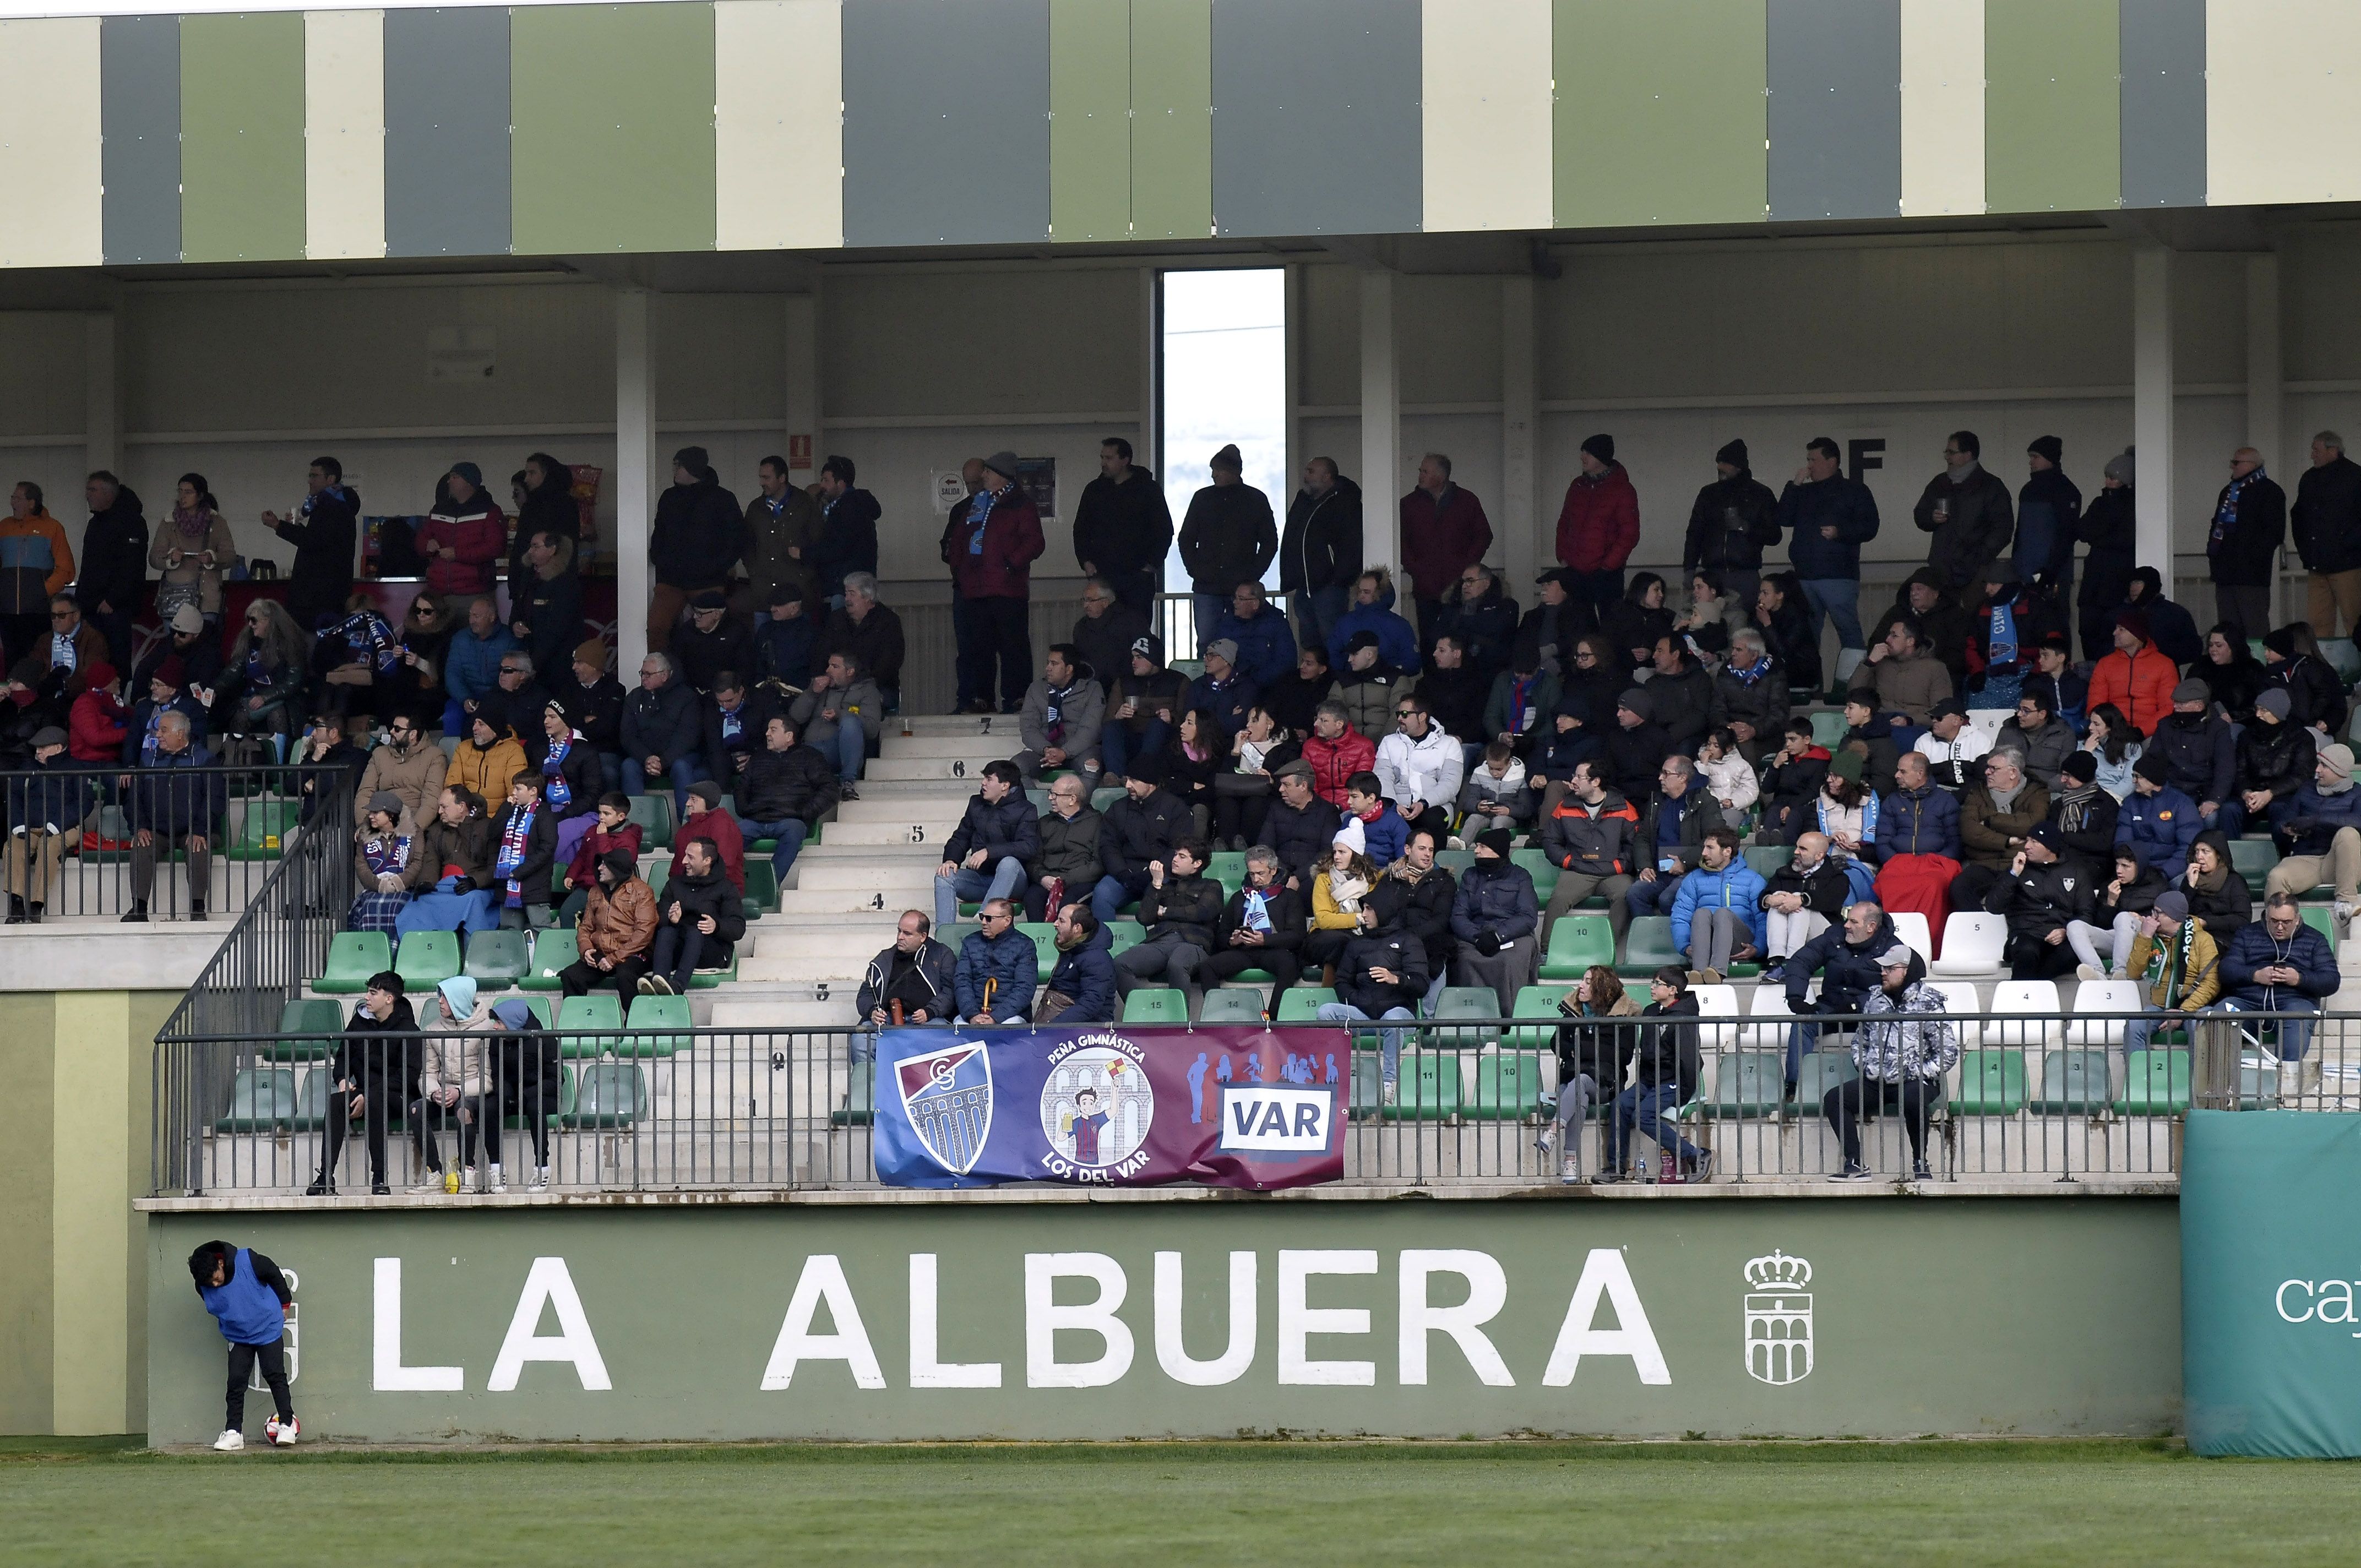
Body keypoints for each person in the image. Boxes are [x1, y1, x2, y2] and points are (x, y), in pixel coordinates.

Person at [1826, 945, 1955, 1183]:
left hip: (1916, 1080)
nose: (1883, 973)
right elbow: (1860, 1042)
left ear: (1907, 972)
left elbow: (1947, 1052)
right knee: (1835, 1098)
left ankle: (1921, 1164)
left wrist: (1916, 1072)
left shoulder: (1928, 1003)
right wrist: (1866, 1066)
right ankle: (1854, 1164)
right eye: (1883, 968)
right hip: (1878, 1080)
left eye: (1890, 968)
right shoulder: (1875, 1001)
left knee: (1914, 1098)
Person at [940, 451, 1045, 714]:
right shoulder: (976, 503)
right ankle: (982, 698)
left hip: (1008, 589)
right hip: (975, 590)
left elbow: (1035, 542)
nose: (983, 476)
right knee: (980, 648)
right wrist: (960, 569)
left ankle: (1017, 698)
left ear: (1002, 476)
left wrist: (1011, 564)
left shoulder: (1021, 504)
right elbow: (959, 539)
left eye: (988, 471)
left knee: (1013, 646)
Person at [1776, 437, 1881, 690]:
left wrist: (1840, 532)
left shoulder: (1855, 490)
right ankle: (1810, 686)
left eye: (1814, 459)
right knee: (1806, 637)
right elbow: (1783, 517)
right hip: (1804, 575)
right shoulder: (1803, 491)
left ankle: (1854, 688)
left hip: (1839, 575)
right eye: (1808, 460)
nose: (1809, 465)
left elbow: (1870, 527)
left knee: (1849, 633)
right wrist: (1795, 484)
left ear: (1832, 461)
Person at [304, 970, 415, 1197]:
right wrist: (343, 1078)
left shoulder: (409, 1029)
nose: (367, 997)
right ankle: (326, 1176)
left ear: (389, 999)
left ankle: (380, 1178)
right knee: (336, 1103)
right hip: (366, 1092)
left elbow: (408, 1077)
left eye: (373, 993)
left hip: (398, 1095)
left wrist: (368, 1095)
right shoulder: (359, 1022)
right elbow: (344, 1054)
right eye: (368, 991)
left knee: (375, 1099)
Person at [1600, 967, 1710, 1185]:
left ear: (1672, 990)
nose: (1652, 987)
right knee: (1619, 1105)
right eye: (1654, 982)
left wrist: (1684, 1091)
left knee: (1643, 1117)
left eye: (1658, 984)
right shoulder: (1651, 1012)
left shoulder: (1684, 1017)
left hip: (1673, 1081)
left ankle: (1695, 1154)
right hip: (1648, 1081)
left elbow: (1688, 1058)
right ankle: (1617, 1167)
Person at [187, 1240, 298, 1451]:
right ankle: (234, 1433)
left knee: (275, 1375)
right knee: (236, 1383)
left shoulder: (250, 1261)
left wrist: (285, 1304)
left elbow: (274, 1273)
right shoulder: (203, 1286)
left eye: (216, 1279)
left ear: (220, 1264)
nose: (215, 1285)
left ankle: (287, 1425)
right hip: (239, 1336)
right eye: (209, 1283)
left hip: (268, 1328)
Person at [1318, 895, 1430, 1106]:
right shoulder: (1356, 944)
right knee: (1326, 1012)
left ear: (1384, 912)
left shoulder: (1409, 940)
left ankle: (1389, 1083)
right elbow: (1342, 981)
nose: (1364, 915)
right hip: (1364, 1013)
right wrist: (1358, 999)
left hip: (1398, 1012)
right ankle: (1331, 1079)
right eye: (1364, 909)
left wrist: (1396, 979)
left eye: (1370, 909)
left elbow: (1421, 985)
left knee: (1393, 1020)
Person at [1782, 900, 1898, 1092]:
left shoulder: (1892, 947)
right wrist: (1795, 997)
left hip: (1871, 1015)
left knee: (1886, 1027)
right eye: (1847, 920)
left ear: (1871, 927)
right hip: (1831, 1008)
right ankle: (1795, 1088)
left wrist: (1858, 1006)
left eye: (1854, 922)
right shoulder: (1834, 936)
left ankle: (1879, 1089)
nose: (1847, 925)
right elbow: (1801, 961)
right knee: (1802, 1024)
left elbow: (1898, 986)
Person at [2216, 892, 2340, 1068]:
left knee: (2298, 1020)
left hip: (2295, 1003)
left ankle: (2284, 1087)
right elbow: (2226, 970)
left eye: (2286, 922)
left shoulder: (2315, 939)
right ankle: (2218, 1082)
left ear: (2297, 919)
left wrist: (2299, 979)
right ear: (2266, 917)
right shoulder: (2247, 934)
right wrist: (2255, 975)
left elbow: (2331, 980)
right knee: (2217, 1017)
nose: (2279, 927)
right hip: (2248, 1002)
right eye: (2274, 921)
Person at [1536, 966, 1637, 1184]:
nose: (1581, 985)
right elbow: (1557, 1043)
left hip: (1605, 1083)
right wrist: (1591, 1050)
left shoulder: (1624, 1015)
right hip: (1572, 1079)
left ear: (1602, 989)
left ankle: (1553, 1131)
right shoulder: (1573, 1010)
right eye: (1583, 980)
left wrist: (1579, 1049)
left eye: (1589, 982)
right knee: (1578, 1095)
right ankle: (1570, 1165)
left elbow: (1622, 1054)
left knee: (1581, 1082)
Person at [121, 710, 220, 922]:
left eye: (163, 730)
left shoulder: (204, 759)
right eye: (158, 730)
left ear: (181, 733)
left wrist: (201, 830)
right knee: (141, 845)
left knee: (199, 847)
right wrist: (139, 827)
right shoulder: (148, 759)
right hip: (157, 831)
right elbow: (133, 799)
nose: (158, 735)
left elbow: (215, 799)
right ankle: (139, 910)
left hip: (194, 830)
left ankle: (197, 909)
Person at [1175, 443, 1276, 651]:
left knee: (1241, 641)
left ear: (1234, 472)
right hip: (1209, 586)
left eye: (1218, 470)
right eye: (1213, 470)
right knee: (1206, 643)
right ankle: (1212, 683)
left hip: (1234, 587)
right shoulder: (1203, 498)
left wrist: (1252, 575)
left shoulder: (1255, 500)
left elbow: (1270, 543)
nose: (1214, 475)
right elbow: (1185, 538)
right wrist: (1195, 571)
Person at [646, 445, 743, 657]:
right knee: (656, 628)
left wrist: (716, 567)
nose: (674, 470)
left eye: (678, 466)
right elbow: (660, 531)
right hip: (672, 579)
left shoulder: (722, 499)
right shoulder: (669, 497)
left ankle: (712, 678)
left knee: (712, 632)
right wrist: (659, 557)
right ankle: (659, 674)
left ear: (692, 469)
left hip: (707, 581)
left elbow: (737, 539)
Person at [1114, 839, 1225, 1014]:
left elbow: (1201, 912)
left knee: (1177, 963)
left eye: (1182, 856)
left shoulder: (1211, 885)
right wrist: (1156, 885)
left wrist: (1165, 912)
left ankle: (1178, 1022)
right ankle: (1143, 1013)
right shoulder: (1163, 886)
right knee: (1120, 963)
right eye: (1175, 854)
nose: (1175, 859)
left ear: (1197, 864)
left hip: (1193, 944)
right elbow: (1144, 917)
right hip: (1160, 942)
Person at [1073, 435, 1174, 618]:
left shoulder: (1148, 490)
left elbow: (1164, 530)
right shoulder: (1094, 491)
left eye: (1109, 458)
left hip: (1137, 576)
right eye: (1102, 457)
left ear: (1125, 460)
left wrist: (1150, 565)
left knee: (1137, 628)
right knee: (1103, 628)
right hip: (1102, 574)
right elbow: (1080, 529)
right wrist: (1086, 561)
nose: (1103, 463)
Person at [1194, 845, 1305, 1006]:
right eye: (1252, 874)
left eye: (1261, 873)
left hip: (1275, 950)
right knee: (1207, 967)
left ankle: (1273, 1020)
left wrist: (1265, 940)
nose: (1256, 879)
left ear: (1273, 870)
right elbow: (1222, 934)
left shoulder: (1289, 897)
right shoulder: (1239, 897)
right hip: (1244, 951)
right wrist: (1232, 941)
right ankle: (1219, 1013)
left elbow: (1297, 936)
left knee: (1289, 965)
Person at [934, 760, 1040, 929]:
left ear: (1005, 785)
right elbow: (961, 837)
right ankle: (945, 936)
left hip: (1014, 882)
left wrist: (989, 852)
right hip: (981, 879)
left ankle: (984, 919)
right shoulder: (976, 804)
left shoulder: (1026, 809)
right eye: (984, 778)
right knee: (944, 876)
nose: (983, 783)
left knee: (1009, 863)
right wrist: (951, 859)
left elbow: (1029, 847)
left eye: (989, 779)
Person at [735, 714, 837, 884]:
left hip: (790, 820)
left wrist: (804, 813)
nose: (767, 734)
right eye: (768, 730)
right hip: (756, 820)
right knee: (729, 838)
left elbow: (830, 789)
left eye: (773, 730)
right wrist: (746, 810)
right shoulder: (758, 758)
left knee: (794, 832)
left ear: (789, 736)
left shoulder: (809, 757)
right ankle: (729, 888)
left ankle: (768, 887)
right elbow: (741, 789)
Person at [1983, 823, 2093, 980]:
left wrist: (2066, 931)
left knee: (2073, 953)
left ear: (2050, 847)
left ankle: (2032, 991)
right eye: (2027, 841)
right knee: (2027, 951)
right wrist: (2013, 875)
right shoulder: (2016, 870)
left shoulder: (2076, 872)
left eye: (2034, 842)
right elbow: (1994, 906)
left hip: (2061, 937)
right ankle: (2022, 997)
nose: (2027, 846)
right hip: (2026, 934)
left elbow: (2086, 913)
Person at [2118, 891, 2222, 1058]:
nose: (2153, 917)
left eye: (2158, 913)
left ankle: (2199, 1082)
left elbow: (2212, 983)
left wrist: (2183, 1012)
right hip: (2160, 1008)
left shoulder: (2203, 940)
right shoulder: (2151, 938)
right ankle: (2140, 1079)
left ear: (2174, 918)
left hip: (2195, 1008)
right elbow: (2133, 972)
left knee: (2202, 1029)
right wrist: (2145, 936)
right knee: (2134, 1027)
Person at [2265, 744, 2361, 923]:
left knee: (2348, 833)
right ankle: (2273, 930)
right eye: (2319, 764)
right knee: (2277, 877)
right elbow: (2284, 820)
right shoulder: (2307, 789)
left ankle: (2346, 903)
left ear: (2338, 770)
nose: (2318, 770)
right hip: (2307, 860)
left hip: (2341, 863)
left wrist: (2316, 821)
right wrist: (2287, 828)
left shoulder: (2357, 793)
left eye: (2324, 766)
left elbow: (2359, 821)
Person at [1680, 438, 1780, 610]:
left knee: (1744, 623)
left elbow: (1774, 535)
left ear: (1739, 466)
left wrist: (1745, 527)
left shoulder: (1761, 494)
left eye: (1725, 463)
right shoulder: (1708, 494)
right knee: (1711, 623)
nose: (1720, 467)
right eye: (1719, 462)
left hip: (1745, 574)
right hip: (1712, 574)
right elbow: (1695, 532)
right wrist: (1690, 567)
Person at [1624, 755, 1727, 922]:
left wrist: (1685, 862)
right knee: (1635, 894)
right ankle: (1649, 939)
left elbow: (1714, 839)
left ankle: (1678, 942)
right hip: (1659, 872)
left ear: (1682, 778)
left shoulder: (1705, 801)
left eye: (1666, 774)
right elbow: (1643, 837)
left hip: (1693, 872)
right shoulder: (1656, 801)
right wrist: (1645, 866)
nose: (1660, 778)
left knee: (1668, 899)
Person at [1448, 828, 1540, 1012]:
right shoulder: (1470, 876)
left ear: (1497, 850)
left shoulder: (1520, 876)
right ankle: (1473, 1017)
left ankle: (1509, 1018)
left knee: (1510, 960)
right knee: (1464, 958)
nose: (1476, 851)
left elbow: (1527, 917)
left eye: (1482, 846)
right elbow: (1458, 915)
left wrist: (1498, 936)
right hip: (1476, 934)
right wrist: (1476, 937)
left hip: (1512, 936)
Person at [1913, 429, 2015, 596]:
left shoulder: (1991, 486)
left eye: (1951, 452)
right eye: (1946, 452)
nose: (1947, 457)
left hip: (1976, 574)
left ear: (1968, 455)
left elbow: (2003, 529)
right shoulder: (1939, 483)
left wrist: (1978, 558)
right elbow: (1920, 514)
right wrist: (1931, 518)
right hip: (1941, 572)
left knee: (1974, 618)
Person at [1553, 434, 1639, 626]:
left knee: (1611, 626)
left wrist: (1608, 566)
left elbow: (1630, 533)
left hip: (1607, 574)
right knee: (1577, 624)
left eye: (1588, 453)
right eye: (1583, 452)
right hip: (1575, 570)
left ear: (1602, 457)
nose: (1583, 457)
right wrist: (1564, 557)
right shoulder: (1577, 486)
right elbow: (1564, 522)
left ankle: (1607, 657)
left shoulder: (1622, 489)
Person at [1278, 456, 1361, 652]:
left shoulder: (1343, 502)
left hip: (1328, 588)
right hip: (1304, 587)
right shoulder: (1304, 501)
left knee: (1332, 640)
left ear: (1327, 477)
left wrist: (1339, 579)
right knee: (1310, 644)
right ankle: (1316, 683)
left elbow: (1352, 543)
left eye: (1311, 471)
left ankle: (1335, 681)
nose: (1306, 476)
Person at [644, 836, 746, 996]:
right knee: (667, 932)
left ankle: (678, 986)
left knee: (695, 932)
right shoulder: (675, 884)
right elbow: (658, 917)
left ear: (707, 861)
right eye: (685, 855)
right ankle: (659, 981)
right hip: (678, 950)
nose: (684, 861)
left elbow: (738, 928)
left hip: (711, 952)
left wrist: (716, 926)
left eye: (691, 857)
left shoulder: (726, 888)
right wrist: (671, 919)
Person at [1951, 749, 2051, 912]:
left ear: (2013, 772)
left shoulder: (2037, 794)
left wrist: (1989, 820)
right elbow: (1970, 831)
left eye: (1993, 768)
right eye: (1987, 767)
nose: (1987, 772)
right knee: (1960, 887)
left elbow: (2032, 825)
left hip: (2023, 863)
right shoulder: (1977, 793)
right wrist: (2008, 840)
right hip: (1985, 863)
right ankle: (1979, 930)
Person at [395, 785, 497, 940]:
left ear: (462, 807)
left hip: (478, 889)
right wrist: (426, 882)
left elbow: (496, 866)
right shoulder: (436, 831)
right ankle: (421, 958)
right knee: (417, 904)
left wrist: (475, 882)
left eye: (444, 807)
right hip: (445, 889)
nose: (439, 812)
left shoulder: (488, 828)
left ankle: (472, 959)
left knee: (472, 901)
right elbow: (431, 861)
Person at [1092, 759, 1189, 920]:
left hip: (1161, 874)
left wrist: (1153, 874)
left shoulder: (1175, 808)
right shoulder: (1118, 808)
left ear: (1150, 783)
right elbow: (1108, 845)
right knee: (1102, 893)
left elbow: (1179, 848)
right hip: (1124, 874)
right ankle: (1105, 943)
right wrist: (1122, 873)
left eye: (1134, 781)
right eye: (1127, 780)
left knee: (1162, 896)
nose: (1127, 785)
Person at [2206, 444, 2286, 638]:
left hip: (2252, 575)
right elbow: (2217, 524)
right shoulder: (2227, 492)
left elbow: (2274, 532)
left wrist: (2253, 557)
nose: (2232, 467)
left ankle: (2257, 666)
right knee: (2227, 630)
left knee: (2254, 626)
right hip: (2225, 573)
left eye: (2236, 463)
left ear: (2252, 464)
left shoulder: (2270, 491)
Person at [1667, 825, 1763, 983]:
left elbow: (1763, 918)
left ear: (1727, 851)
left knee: (1722, 914)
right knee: (1701, 913)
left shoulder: (1753, 880)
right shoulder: (1693, 879)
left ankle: (1717, 972)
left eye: (1710, 848)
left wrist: (1758, 947)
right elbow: (1680, 916)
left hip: (1739, 946)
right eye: (1704, 847)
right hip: (1703, 948)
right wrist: (1685, 946)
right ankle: (1698, 973)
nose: (1704, 853)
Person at [70, 470, 146, 667]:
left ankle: (117, 697)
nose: (88, 494)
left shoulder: (132, 522)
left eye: (92, 490)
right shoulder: (95, 523)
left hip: (114, 607)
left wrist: (114, 599)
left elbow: (132, 565)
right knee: (91, 660)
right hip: (90, 606)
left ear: (108, 493)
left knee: (116, 659)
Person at [4, 726, 80, 923]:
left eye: (43, 748)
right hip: (29, 828)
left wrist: (56, 826)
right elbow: (13, 796)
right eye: (37, 748)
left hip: (65, 828)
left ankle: (37, 906)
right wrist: (19, 826)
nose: (38, 751)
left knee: (49, 847)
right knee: (13, 846)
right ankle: (17, 905)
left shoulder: (74, 767)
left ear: (58, 748)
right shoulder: (28, 768)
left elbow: (83, 803)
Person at [561, 847, 656, 1000]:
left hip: (633, 953)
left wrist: (614, 959)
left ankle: (634, 1022)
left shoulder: (642, 892)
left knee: (625, 976)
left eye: (605, 865)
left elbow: (644, 933)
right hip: (602, 952)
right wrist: (586, 949)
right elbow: (585, 928)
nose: (600, 868)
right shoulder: (595, 892)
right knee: (571, 975)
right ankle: (576, 1022)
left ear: (617, 868)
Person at [2293, 430, 2361, 638]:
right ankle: (2323, 667)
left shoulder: (2355, 477)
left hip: (2348, 564)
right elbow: (2299, 516)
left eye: (2316, 450)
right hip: (2317, 564)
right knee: (2318, 622)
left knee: (2355, 620)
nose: (2312, 455)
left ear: (2333, 451)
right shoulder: (2309, 478)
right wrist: (2305, 549)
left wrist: (2349, 544)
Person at [149, 472, 239, 628]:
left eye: (188, 492)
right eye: (180, 491)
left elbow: (231, 556)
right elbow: (154, 558)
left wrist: (212, 558)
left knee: (205, 646)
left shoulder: (217, 522)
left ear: (200, 496)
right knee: (176, 647)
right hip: (175, 597)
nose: (182, 496)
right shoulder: (168, 522)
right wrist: (170, 559)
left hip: (207, 598)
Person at [2224, 688, 2314, 840]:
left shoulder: (2302, 738)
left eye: (2264, 710)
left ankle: (2283, 858)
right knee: (2229, 810)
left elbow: (2301, 775)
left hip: (2283, 795)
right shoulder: (2247, 736)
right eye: (2257, 709)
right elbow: (2239, 771)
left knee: (2280, 810)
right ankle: (2228, 858)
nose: (2258, 715)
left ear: (2279, 712)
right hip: (2252, 794)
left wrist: (2270, 793)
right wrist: (2246, 793)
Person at [621, 650, 704, 815]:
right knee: (629, 767)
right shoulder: (634, 698)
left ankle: (688, 823)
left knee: (682, 767)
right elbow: (628, 735)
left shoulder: (687, 697)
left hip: (677, 757)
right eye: (642, 673)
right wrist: (647, 758)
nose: (644, 677)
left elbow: (687, 737)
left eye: (648, 674)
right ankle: (638, 825)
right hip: (646, 759)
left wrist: (664, 761)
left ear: (665, 675)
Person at [788, 649, 883, 794]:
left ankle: (847, 782)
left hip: (839, 752)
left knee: (850, 722)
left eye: (835, 667)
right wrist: (812, 693)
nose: (828, 670)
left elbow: (872, 729)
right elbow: (795, 717)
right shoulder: (818, 687)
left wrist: (841, 716)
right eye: (828, 665)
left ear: (850, 671)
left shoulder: (867, 690)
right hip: (811, 750)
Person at [0, 480, 73, 665]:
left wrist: (43, 591)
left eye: (17, 498)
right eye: (12, 497)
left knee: (36, 661)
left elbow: (67, 570)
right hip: (6, 611)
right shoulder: (4, 527)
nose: (12, 502)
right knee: (11, 662)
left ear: (31, 503)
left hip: (38, 611)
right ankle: (10, 695)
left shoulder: (52, 528)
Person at [2077, 448, 2139, 661]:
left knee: (2111, 636)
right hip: (2095, 582)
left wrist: (2098, 535)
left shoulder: (2131, 505)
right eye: (2107, 477)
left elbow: (2124, 539)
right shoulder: (2100, 502)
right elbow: (2082, 530)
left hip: (2114, 582)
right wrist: (2104, 533)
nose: (2108, 481)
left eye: (2113, 477)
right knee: (2088, 630)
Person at [1100, 634, 1187, 783]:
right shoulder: (1124, 682)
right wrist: (1118, 715)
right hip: (1132, 741)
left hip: (1163, 745)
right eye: (1133, 657)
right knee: (1111, 728)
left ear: (1154, 660)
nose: (1134, 662)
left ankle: (1140, 775)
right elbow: (1108, 720)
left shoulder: (1178, 681)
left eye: (1139, 657)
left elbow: (1188, 720)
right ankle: (1116, 777)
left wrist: (1172, 718)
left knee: (1157, 725)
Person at [1014, 643, 1105, 786]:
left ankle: (1078, 808)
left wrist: (1065, 752)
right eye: (1048, 663)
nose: (1048, 668)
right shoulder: (1036, 689)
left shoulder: (1092, 689)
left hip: (1080, 750)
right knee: (1015, 768)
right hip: (1043, 752)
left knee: (1092, 769)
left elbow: (1091, 729)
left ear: (1069, 669)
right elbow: (1028, 727)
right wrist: (1046, 749)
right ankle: (1035, 807)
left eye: (1054, 664)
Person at [1759, 831, 1847, 978]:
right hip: (1791, 934)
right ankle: (1776, 961)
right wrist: (1769, 900)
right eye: (1797, 847)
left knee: (1799, 904)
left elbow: (1831, 902)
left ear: (1819, 856)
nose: (1796, 852)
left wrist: (1801, 900)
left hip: (1825, 936)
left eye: (1803, 849)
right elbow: (1763, 897)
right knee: (1777, 898)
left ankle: (1792, 962)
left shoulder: (1836, 877)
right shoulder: (1784, 872)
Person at [2071, 845, 2167, 981]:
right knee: (2074, 926)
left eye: (2125, 866)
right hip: (2118, 940)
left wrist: (2145, 920)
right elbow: (2101, 926)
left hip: (2144, 937)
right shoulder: (2110, 885)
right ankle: (2097, 972)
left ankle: (2121, 973)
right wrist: (2111, 902)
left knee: (2124, 917)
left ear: (2138, 866)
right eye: (2117, 865)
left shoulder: (2158, 884)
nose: (2119, 871)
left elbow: (2170, 920)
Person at [742, 451, 823, 610]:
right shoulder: (756, 508)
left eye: (766, 478)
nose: (761, 483)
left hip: (797, 590)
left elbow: (819, 541)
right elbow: (746, 543)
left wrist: (805, 573)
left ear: (782, 478)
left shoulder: (805, 504)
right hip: (763, 591)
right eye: (761, 477)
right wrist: (754, 571)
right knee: (764, 632)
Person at [1374, 691, 1461, 840]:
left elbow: (1450, 784)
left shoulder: (1449, 744)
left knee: (1432, 819)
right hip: (1397, 806)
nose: (1399, 718)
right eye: (1398, 714)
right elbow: (1382, 777)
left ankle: (1435, 862)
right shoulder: (1389, 742)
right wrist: (1394, 805)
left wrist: (1424, 803)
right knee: (1386, 820)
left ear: (1422, 717)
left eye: (1405, 714)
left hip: (1434, 807)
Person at [415, 462, 504, 604]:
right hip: (439, 593)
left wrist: (458, 554)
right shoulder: (440, 509)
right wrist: (427, 544)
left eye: (455, 477)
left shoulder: (489, 510)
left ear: (469, 483)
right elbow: (421, 539)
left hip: (475, 593)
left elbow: (495, 547)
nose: (449, 481)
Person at [818, 571, 906, 711]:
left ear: (868, 597)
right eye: (846, 593)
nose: (847, 599)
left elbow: (890, 663)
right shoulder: (836, 619)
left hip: (878, 686)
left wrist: (859, 682)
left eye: (852, 594)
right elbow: (822, 654)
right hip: (837, 686)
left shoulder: (888, 622)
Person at [857, 911, 956, 1031]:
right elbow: (866, 992)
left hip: (930, 1020)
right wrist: (872, 1012)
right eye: (899, 931)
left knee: (943, 1035)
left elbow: (950, 991)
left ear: (923, 936)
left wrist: (930, 1011)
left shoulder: (942, 955)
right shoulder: (884, 959)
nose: (900, 937)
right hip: (888, 1019)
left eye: (907, 934)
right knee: (861, 1040)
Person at [2086, 609, 2179, 736]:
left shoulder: (2164, 665)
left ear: (2137, 635)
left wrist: (2141, 732)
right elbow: (2096, 705)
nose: (2114, 633)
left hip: (2151, 734)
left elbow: (2168, 708)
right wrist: (2112, 730)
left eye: (2121, 629)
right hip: (2111, 732)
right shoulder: (2105, 664)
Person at [1848, 615, 1953, 726]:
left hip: (1917, 730)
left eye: (1894, 636)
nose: (1887, 639)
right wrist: (1869, 663)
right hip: (1882, 726)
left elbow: (1943, 710)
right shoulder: (1881, 663)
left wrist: (1910, 721)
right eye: (1889, 635)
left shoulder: (1935, 668)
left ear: (1910, 642)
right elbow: (1854, 694)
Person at [1026, 772, 1103, 922]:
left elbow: (1098, 864)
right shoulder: (1045, 823)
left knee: (1068, 906)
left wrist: (1065, 880)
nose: (1050, 798)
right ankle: (1040, 942)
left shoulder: (1096, 821)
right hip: (1049, 879)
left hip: (1079, 881)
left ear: (1072, 799)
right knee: (1032, 898)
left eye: (1055, 795)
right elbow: (1034, 860)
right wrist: (1043, 878)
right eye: (1051, 793)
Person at [487, 769, 557, 930]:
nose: (513, 792)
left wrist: (519, 872)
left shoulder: (545, 815)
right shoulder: (511, 811)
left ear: (533, 791)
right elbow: (492, 833)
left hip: (535, 886)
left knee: (540, 930)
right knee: (510, 934)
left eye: (518, 789)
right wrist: (506, 807)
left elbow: (547, 849)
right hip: (507, 887)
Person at [808, 455, 880, 609]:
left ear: (840, 483)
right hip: (847, 586)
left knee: (842, 629)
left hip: (843, 588)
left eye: (826, 480)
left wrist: (803, 554)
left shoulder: (848, 510)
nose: (821, 485)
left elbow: (836, 548)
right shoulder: (846, 507)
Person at [439, 595, 516, 738]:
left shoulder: (509, 639)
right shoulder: (459, 639)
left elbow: (514, 677)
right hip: (465, 697)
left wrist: (490, 701)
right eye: (470, 616)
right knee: (451, 717)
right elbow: (452, 674)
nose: (471, 621)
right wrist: (464, 698)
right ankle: (456, 759)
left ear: (492, 617)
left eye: (477, 616)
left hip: (499, 698)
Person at [2117, 752, 2201, 882]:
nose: (2134, 781)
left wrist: (2163, 873)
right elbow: (2122, 843)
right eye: (2133, 776)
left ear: (2153, 778)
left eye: (2138, 777)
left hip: (2171, 871)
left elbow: (2188, 847)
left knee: (2179, 884)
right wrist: (2136, 872)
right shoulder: (2130, 803)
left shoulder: (2181, 804)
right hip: (2137, 870)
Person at [2014, 434, 2082, 593]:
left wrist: (2051, 570)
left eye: (2036, 457)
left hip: (2054, 576)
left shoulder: (2065, 490)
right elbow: (2021, 531)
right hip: (2026, 572)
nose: (2031, 461)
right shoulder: (2028, 490)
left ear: (2050, 459)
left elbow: (2067, 534)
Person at [1706, 627, 1787, 758]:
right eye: (1733, 649)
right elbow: (1716, 710)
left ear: (1754, 655)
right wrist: (1728, 727)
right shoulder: (1725, 673)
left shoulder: (1774, 674)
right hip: (1729, 734)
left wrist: (1754, 730)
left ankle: (1748, 779)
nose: (1733, 654)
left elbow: (1779, 716)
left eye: (1739, 650)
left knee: (1740, 747)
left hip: (1764, 737)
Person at [955, 899, 1037, 1025]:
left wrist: (996, 1018)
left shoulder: (1025, 945)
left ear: (1007, 921)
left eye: (989, 918)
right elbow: (962, 981)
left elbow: (1024, 988)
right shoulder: (970, 942)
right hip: (974, 1014)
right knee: (959, 1027)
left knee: (1008, 1027)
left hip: (1010, 1016)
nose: (983, 922)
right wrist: (972, 1014)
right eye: (982, 917)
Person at [1263, 762, 1341, 893]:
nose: (1281, 789)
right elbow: (1266, 845)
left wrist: (1297, 877)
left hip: (1311, 874)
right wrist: (1283, 875)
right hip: (1277, 872)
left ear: (1303, 786)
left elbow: (1327, 852)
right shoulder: (1276, 808)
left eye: (1286, 785)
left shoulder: (1327, 812)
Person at [2047, 749, 2121, 886]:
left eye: (2068, 775)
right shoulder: (2059, 804)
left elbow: (2104, 843)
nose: (2063, 780)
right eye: (2063, 775)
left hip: (2093, 864)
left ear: (2082, 775)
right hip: (2059, 859)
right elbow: (2051, 836)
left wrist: (2067, 837)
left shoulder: (2106, 804)